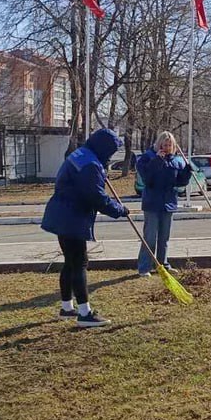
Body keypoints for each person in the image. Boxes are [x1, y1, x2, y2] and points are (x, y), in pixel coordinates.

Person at [41, 128, 129, 328]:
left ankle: (66, 307)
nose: (111, 155)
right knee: (79, 262)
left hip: (61, 213)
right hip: (72, 216)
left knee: (70, 262)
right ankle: (84, 313)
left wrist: (102, 166)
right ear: (105, 147)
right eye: (111, 151)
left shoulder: (81, 155)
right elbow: (96, 197)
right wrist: (119, 210)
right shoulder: (90, 164)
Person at [136, 131, 192, 277]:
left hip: (169, 202)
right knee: (150, 236)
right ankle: (144, 267)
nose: (166, 147)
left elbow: (180, 182)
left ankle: (163, 264)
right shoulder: (147, 158)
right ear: (158, 144)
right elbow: (146, 178)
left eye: (169, 145)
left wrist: (187, 172)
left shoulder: (176, 161)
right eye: (164, 144)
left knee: (164, 237)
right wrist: (157, 161)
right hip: (152, 203)